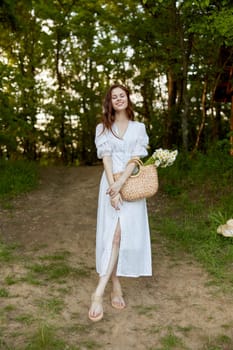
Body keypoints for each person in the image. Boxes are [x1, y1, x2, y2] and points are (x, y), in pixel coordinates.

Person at [88, 83, 152, 322]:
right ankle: (103, 289)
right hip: (109, 185)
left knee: (123, 237)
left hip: (131, 186)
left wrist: (122, 183)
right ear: (109, 102)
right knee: (113, 236)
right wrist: (112, 188)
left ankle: (112, 284)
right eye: (113, 97)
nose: (118, 99)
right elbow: (106, 158)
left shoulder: (139, 128)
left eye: (121, 95)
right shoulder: (102, 128)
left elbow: (136, 159)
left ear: (127, 99)